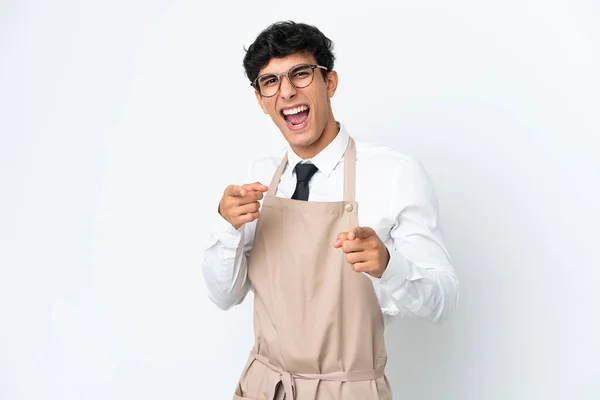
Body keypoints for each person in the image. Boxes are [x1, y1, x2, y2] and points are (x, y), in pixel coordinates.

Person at [202, 20, 459, 400]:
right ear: (260, 99)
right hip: (264, 388)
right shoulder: (257, 179)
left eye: (300, 74)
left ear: (330, 82)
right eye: (270, 81)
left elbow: (443, 303)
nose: (286, 91)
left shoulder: (394, 174)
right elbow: (225, 297)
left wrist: (389, 265)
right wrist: (228, 228)